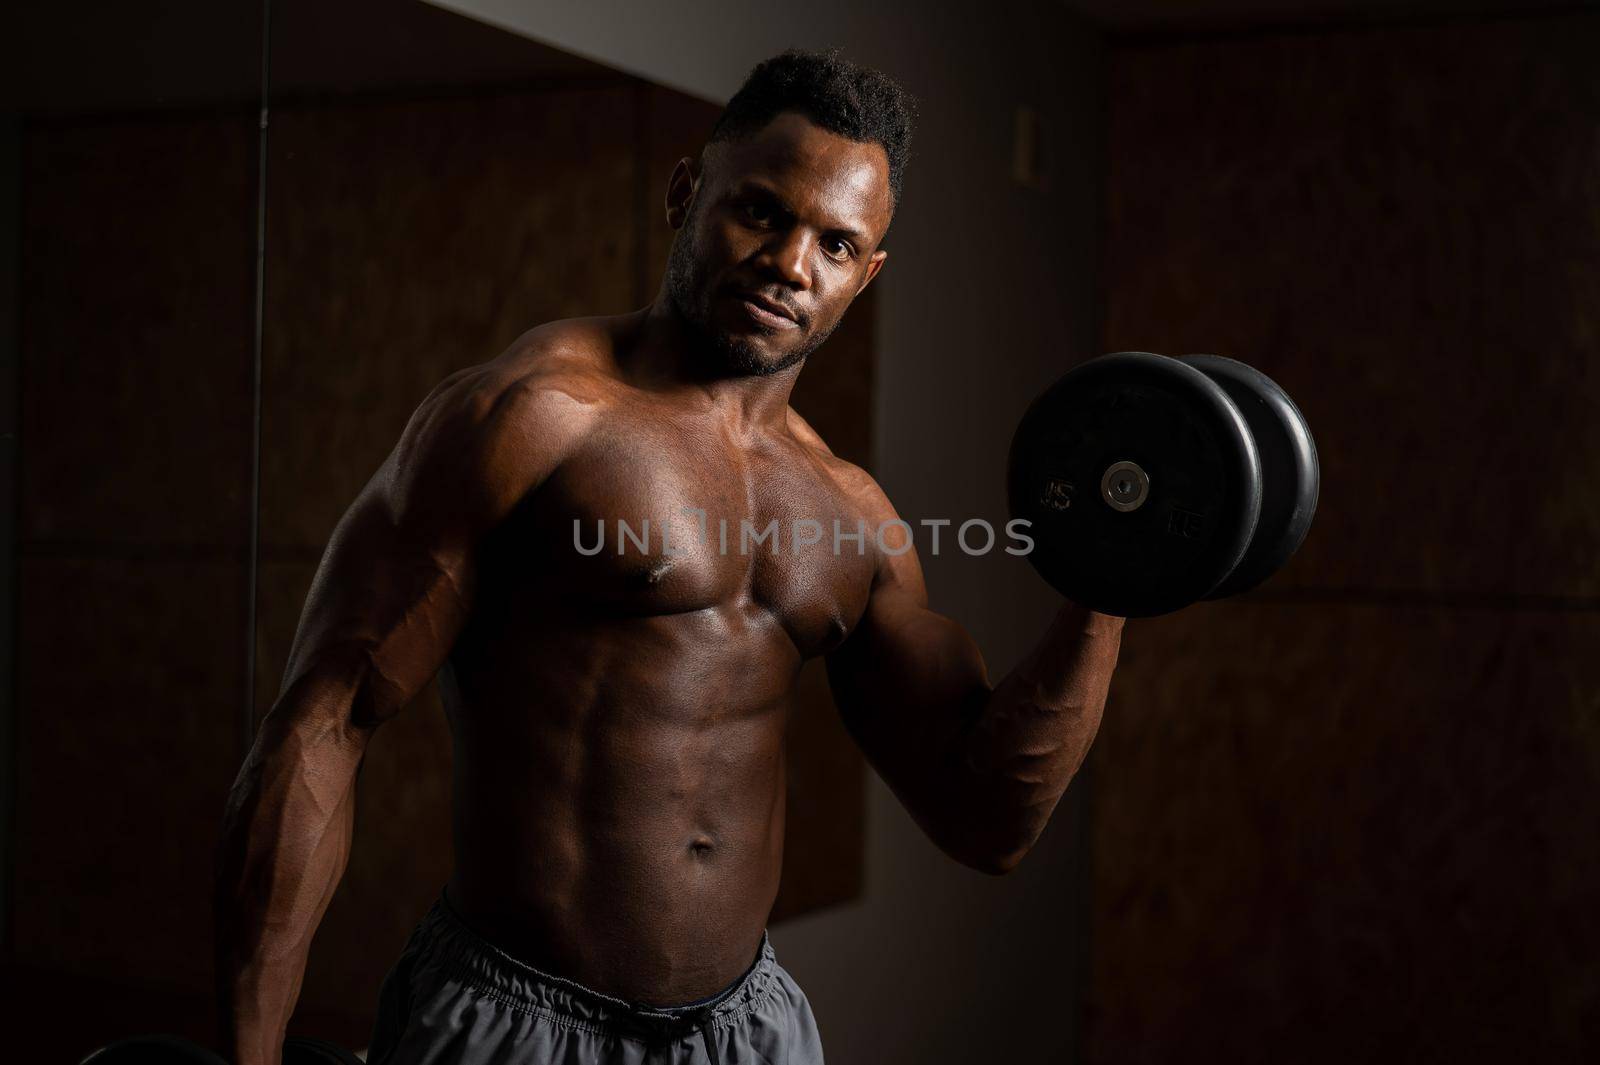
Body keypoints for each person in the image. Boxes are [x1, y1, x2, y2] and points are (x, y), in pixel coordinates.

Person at [214, 48, 1123, 1065]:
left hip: (747, 1033)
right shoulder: (531, 419)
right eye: (762, 212)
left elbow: (983, 819)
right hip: (519, 1021)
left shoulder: (852, 515)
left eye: (834, 244)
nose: (789, 264)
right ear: (687, 193)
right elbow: (323, 726)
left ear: (866, 275)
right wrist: (251, 1047)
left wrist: (1112, 589)